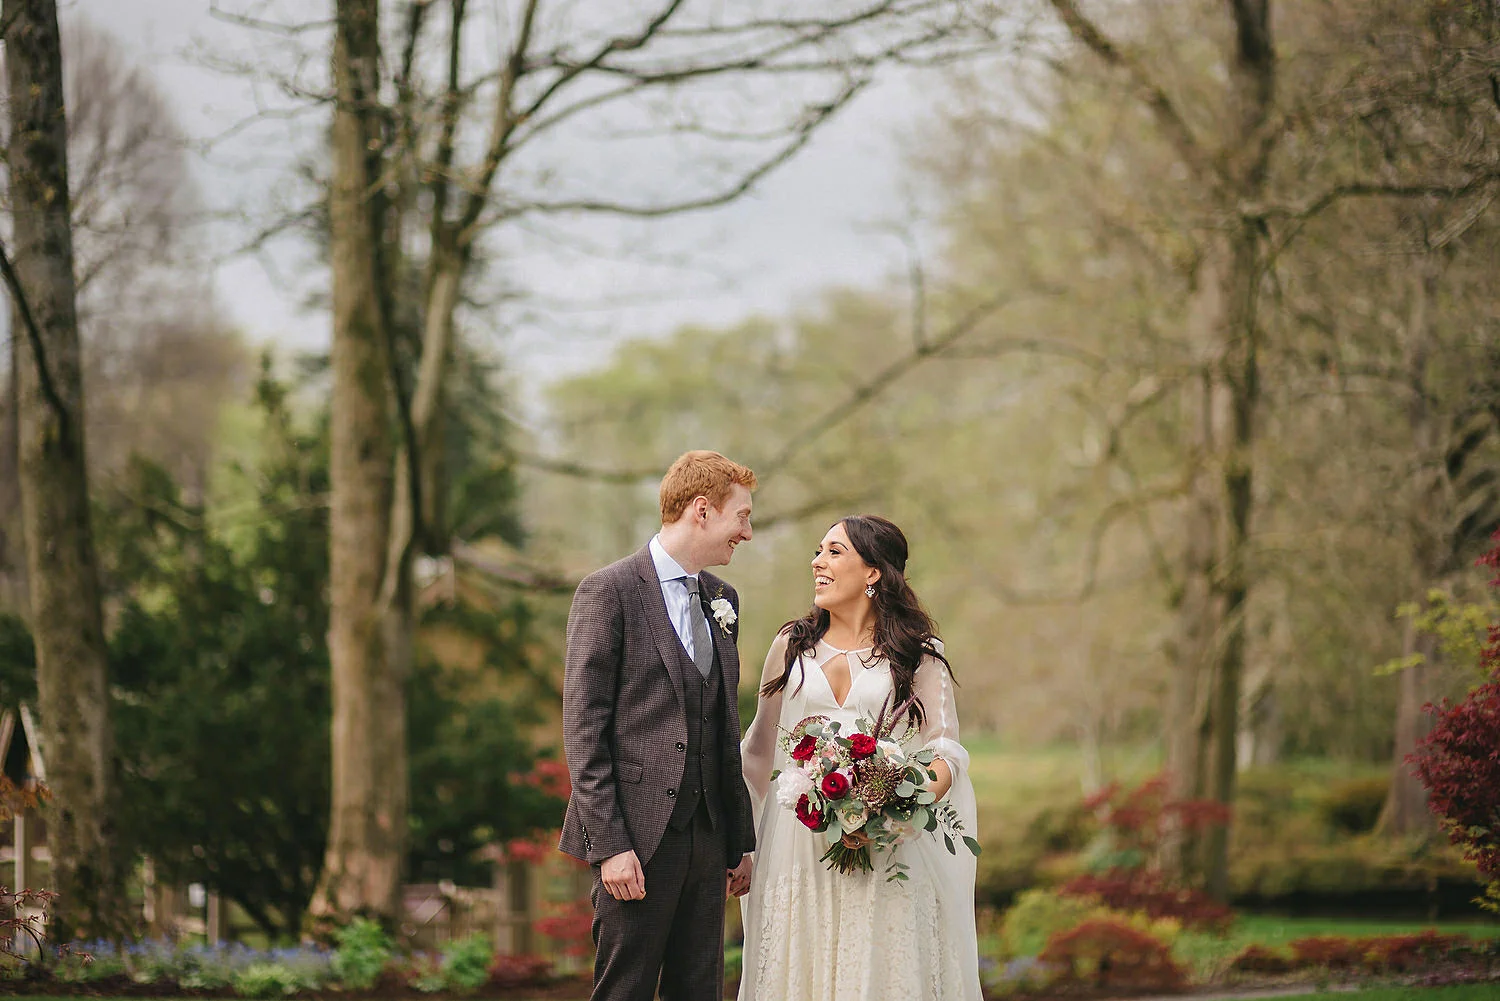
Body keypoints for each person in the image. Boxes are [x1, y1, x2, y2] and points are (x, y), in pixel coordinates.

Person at [738, 515, 981, 1000]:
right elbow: (758, 754)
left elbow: (945, 750)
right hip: (796, 842)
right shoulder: (791, 646)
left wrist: (895, 804)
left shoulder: (916, 652)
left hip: (885, 842)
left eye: (834, 551)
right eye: (818, 550)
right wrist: (740, 846)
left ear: (873, 572)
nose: (817, 562)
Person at [559, 450, 759, 1001]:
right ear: (701, 511)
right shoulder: (609, 592)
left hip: (708, 834)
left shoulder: (723, 599)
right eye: (740, 516)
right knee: (626, 991)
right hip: (636, 844)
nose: (747, 530)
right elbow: (584, 729)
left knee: (700, 991)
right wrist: (611, 846)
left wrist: (739, 841)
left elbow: (723, 725)